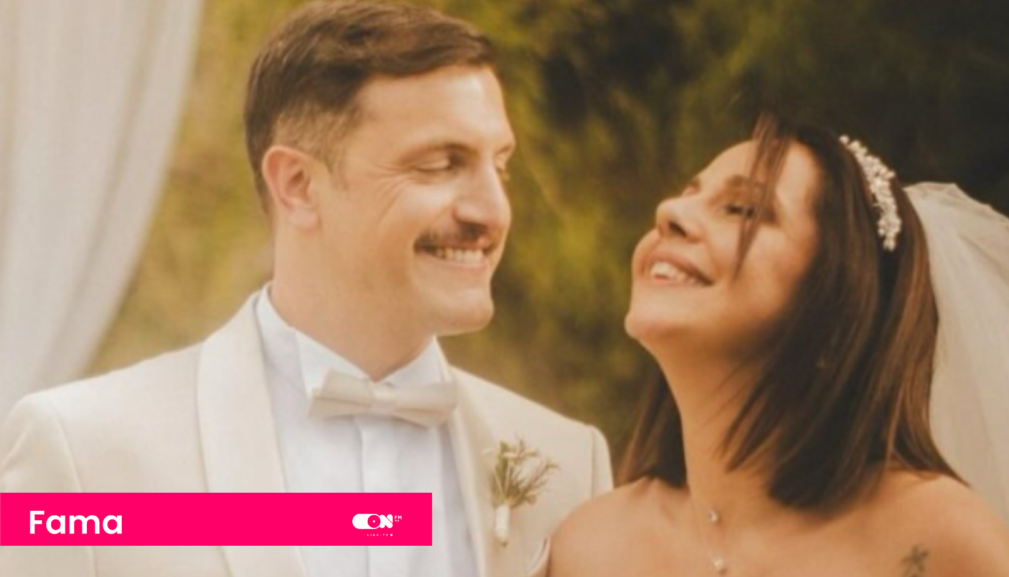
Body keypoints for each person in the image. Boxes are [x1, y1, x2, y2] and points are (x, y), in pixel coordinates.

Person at [0, 2, 612, 576]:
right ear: (296, 184)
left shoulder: (567, 468)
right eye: (439, 164)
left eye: (499, 165)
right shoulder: (79, 453)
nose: (493, 210)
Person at [549, 116, 1009, 576]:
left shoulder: (942, 543)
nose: (670, 212)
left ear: (839, 305)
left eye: (741, 209)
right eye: (687, 194)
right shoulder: (588, 548)